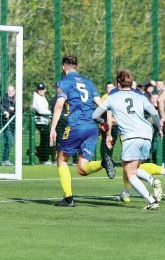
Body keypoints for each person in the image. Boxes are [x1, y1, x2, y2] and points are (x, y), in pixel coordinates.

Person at [50, 54, 115, 207]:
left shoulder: (64, 82)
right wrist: (108, 128)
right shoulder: (88, 83)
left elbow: (59, 105)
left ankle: (68, 198)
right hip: (91, 128)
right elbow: (104, 106)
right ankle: (103, 163)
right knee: (82, 169)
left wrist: (53, 128)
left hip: (75, 126)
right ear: (77, 67)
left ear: (63, 67)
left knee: (61, 159)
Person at [92, 69, 163, 210]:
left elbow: (95, 115)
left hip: (131, 136)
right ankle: (153, 181)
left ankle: (151, 200)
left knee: (128, 173)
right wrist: (159, 129)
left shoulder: (112, 98)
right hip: (147, 134)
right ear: (131, 83)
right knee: (134, 169)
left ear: (118, 83)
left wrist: (105, 122)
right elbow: (154, 114)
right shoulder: (140, 96)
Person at [32, 82, 52, 165]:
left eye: (42, 89)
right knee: (45, 140)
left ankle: (41, 156)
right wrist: (51, 113)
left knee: (45, 140)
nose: (41, 91)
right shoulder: (36, 97)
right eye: (39, 89)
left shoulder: (43, 97)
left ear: (45, 89)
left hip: (45, 121)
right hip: (40, 121)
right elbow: (40, 110)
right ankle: (44, 159)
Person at [99, 82, 118, 159]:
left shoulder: (117, 97)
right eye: (108, 87)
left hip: (115, 125)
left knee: (112, 143)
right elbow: (102, 111)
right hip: (107, 124)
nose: (110, 89)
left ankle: (109, 159)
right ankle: (104, 160)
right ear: (106, 89)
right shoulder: (104, 97)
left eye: (111, 87)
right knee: (104, 143)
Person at [1, 85, 16, 166]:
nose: (10, 92)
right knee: (9, 141)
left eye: (12, 91)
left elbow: (21, 108)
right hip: (6, 124)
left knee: (10, 142)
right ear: (7, 91)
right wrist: (12, 109)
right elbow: (7, 109)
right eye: (9, 90)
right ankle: (5, 159)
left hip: (13, 124)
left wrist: (13, 109)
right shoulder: (4, 99)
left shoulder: (16, 99)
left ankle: (6, 159)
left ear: (14, 91)